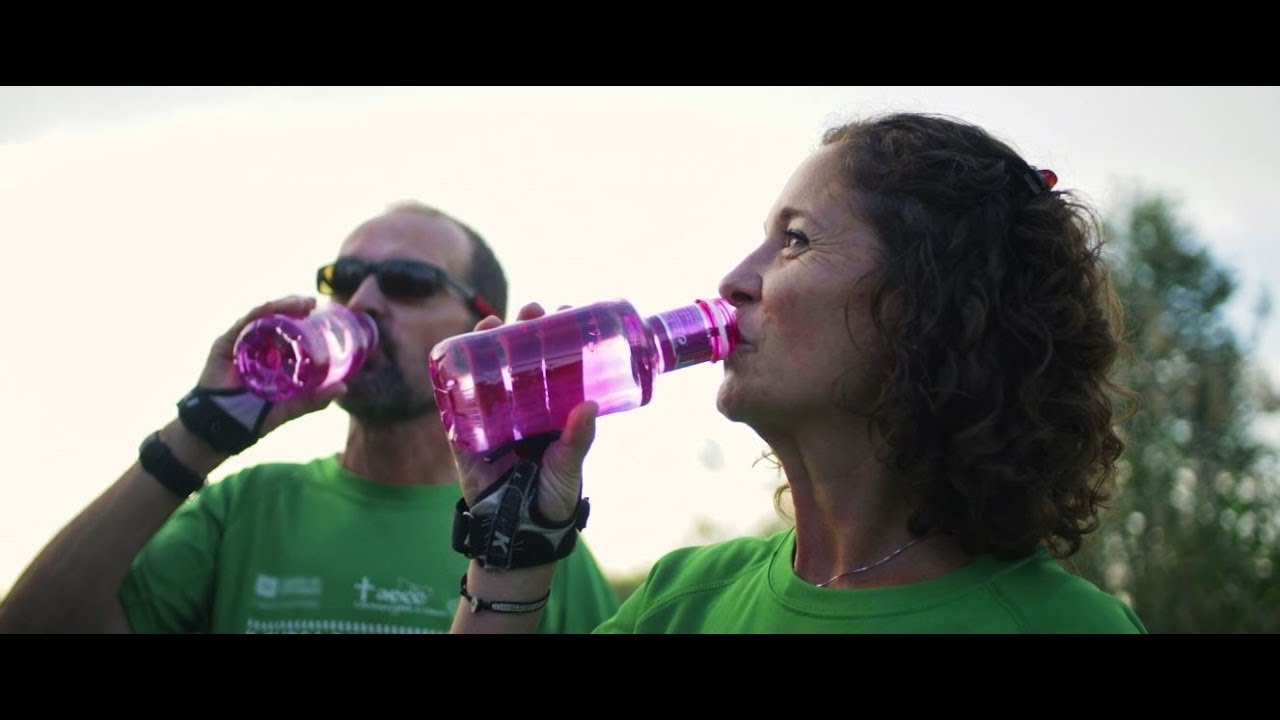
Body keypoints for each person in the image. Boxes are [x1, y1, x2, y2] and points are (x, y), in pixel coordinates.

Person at [448, 113, 1147, 633]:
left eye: (796, 241)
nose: (733, 281)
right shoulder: (683, 603)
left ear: (927, 303)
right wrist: (514, 541)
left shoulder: (1064, 625)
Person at [0, 201, 618, 634]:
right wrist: (198, 435)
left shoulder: (532, 541)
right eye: (343, 279)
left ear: (481, 330)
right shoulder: (245, 508)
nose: (364, 301)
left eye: (407, 282)